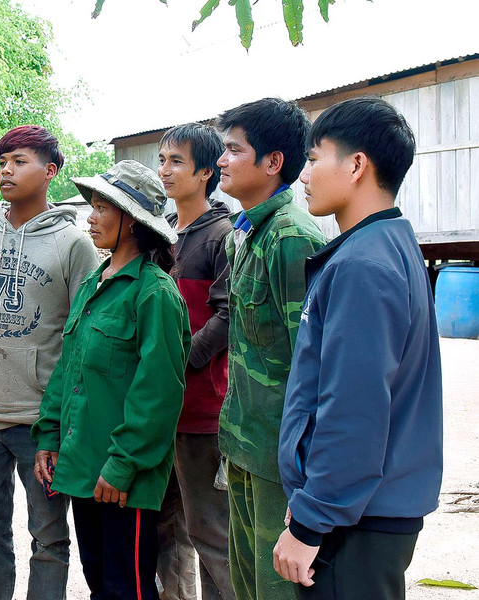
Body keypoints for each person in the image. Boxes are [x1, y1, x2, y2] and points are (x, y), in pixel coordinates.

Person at [273, 97, 443, 599]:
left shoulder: (362, 265)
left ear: (356, 165)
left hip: (358, 517)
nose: (304, 175)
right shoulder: (386, 243)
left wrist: (310, 521)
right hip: (362, 506)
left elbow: (353, 410)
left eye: (315, 157)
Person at [0, 125, 99, 600]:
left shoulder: (74, 245)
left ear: (50, 171)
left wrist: (64, 420)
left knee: (48, 539)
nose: (6, 169)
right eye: (3, 160)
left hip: (40, 425)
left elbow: (79, 342)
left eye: (20, 160)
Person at [33, 160, 191, 600]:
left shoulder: (155, 292)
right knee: (101, 582)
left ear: (133, 221)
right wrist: (49, 436)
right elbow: (69, 369)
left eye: (104, 208)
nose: (91, 216)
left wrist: (123, 465)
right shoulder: (92, 283)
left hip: (122, 477)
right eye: (93, 206)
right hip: (83, 465)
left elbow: (158, 394)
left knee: (129, 589)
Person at [214, 98, 326, 600]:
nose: (221, 160)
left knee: (273, 590)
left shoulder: (291, 237)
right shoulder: (250, 231)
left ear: (272, 162)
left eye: (233, 150)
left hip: (278, 459)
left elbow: (314, 362)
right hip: (243, 444)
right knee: (247, 587)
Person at [156, 123, 236, 600]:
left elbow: (227, 318)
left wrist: (178, 363)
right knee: (167, 528)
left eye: (176, 162)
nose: (165, 171)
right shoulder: (164, 234)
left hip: (202, 409)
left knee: (210, 532)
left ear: (206, 172)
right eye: (162, 160)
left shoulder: (221, 236)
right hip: (161, 409)